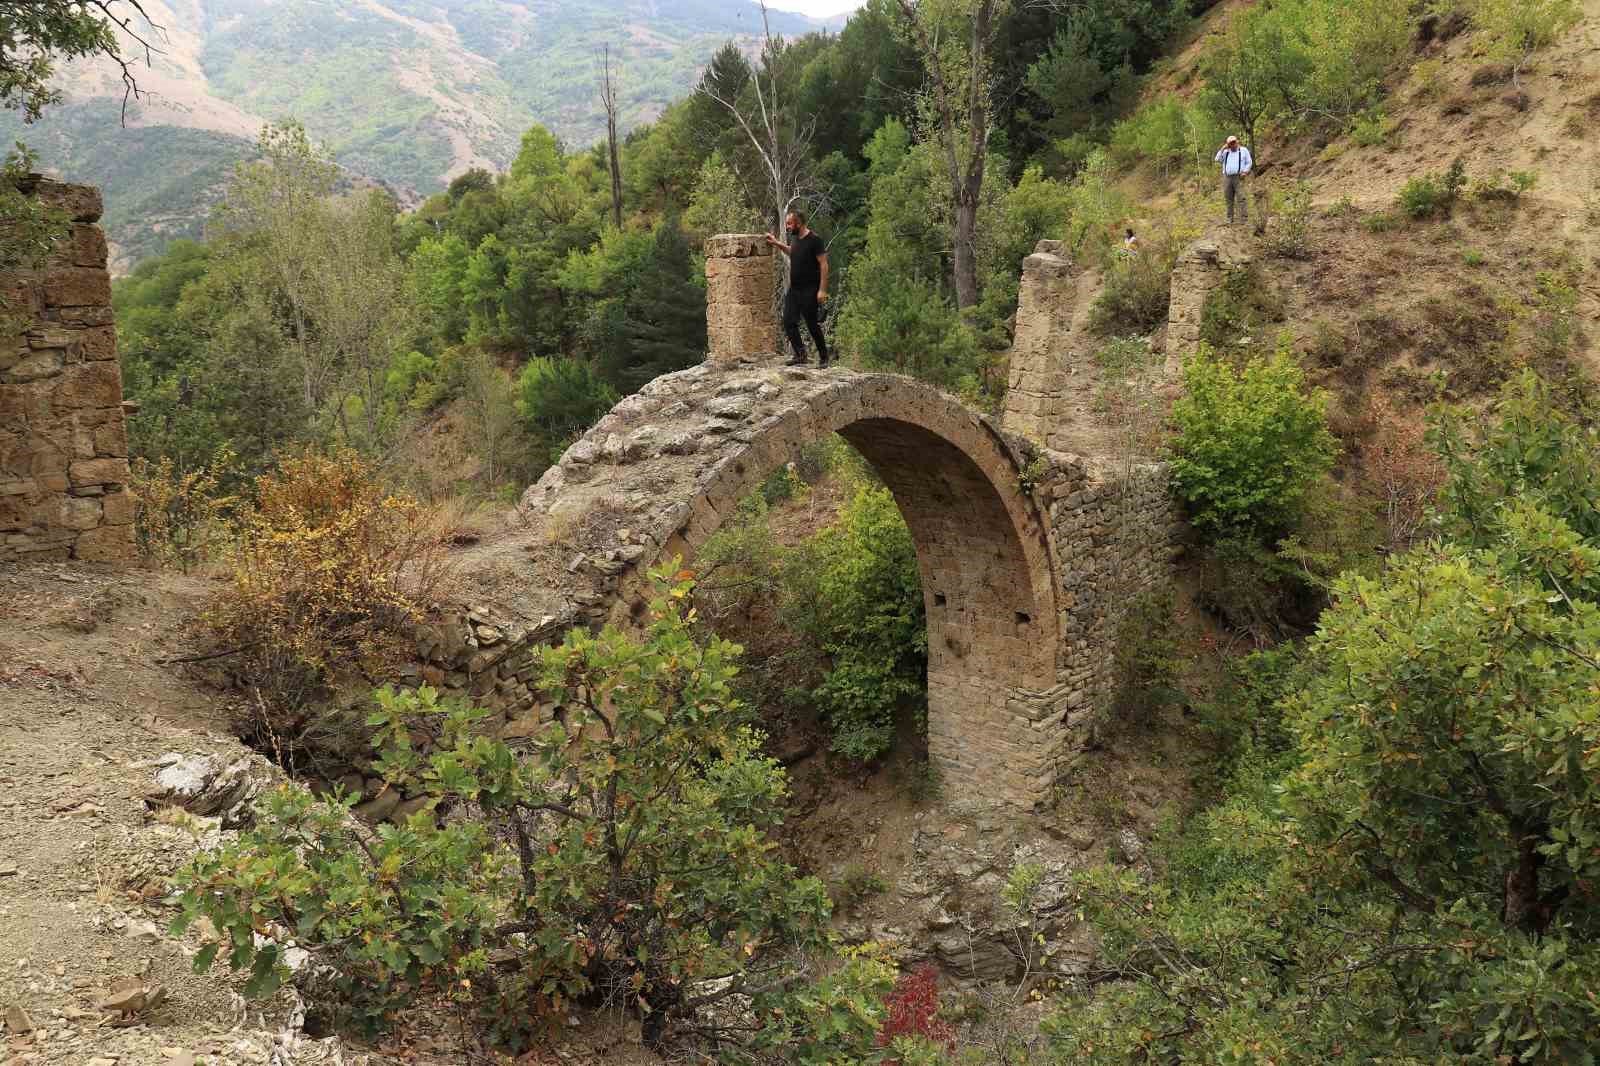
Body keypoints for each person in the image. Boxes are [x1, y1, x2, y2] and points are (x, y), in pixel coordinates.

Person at [765, 210, 830, 368]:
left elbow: (824, 264)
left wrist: (822, 290)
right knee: (788, 321)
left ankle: (824, 357)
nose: (787, 227)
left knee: (812, 324)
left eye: (789, 223)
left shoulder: (815, 240)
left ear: (799, 223)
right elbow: (792, 252)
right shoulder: (795, 238)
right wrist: (776, 243)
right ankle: (800, 354)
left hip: (810, 289)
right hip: (795, 289)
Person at [1215, 135, 1253, 225]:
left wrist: (1245, 172)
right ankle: (1229, 219)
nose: (1233, 144)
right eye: (1230, 143)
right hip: (1227, 178)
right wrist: (1223, 148)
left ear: (1237, 142)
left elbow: (1249, 162)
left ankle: (1244, 219)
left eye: (1234, 142)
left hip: (1239, 177)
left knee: (1242, 198)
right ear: (1228, 144)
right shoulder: (1225, 152)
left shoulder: (1244, 150)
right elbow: (1217, 159)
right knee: (1229, 199)